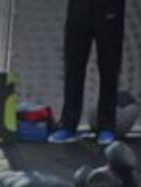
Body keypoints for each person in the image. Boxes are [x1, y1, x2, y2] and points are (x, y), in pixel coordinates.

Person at [49, 0, 126, 144]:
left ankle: (107, 126)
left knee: (109, 66)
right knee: (73, 65)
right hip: (80, 6)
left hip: (109, 7)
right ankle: (68, 124)